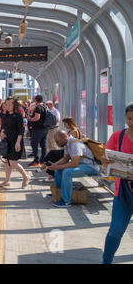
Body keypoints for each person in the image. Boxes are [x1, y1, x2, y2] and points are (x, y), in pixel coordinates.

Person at [101, 103, 133, 264]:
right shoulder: (117, 136)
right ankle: (106, 261)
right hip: (122, 191)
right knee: (116, 230)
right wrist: (105, 161)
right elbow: (105, 161)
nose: (132, 122)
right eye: (129, 119)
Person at [47, 130, 99, 207]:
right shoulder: (66, 144)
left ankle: (66, 201)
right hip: (81, 165)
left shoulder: (75, 144)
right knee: (58, 170)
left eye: (58, 142)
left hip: (91, 167)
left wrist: (58, 166)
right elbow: (65, 158)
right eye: (56, 142)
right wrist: (55, 165)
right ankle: (57, 193)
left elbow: (74, 163)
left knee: (67, 172)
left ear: (65, 138)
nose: (57, 144)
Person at [0, 98, 30, 188]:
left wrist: (18, 142)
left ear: (14, 105)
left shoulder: (18, 115)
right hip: (7, 141)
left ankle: (25, 176)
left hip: (16, 141)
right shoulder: (6, 115)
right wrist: (2, 131)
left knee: (13, 162)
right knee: (7, 162)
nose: (7, 107)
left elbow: (21, 130)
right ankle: (7, 180)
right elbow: (3, 126)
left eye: (9, 105)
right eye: (6, 105)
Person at [28, 95, 48, 166]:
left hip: (38, 129)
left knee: (34, 144)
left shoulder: (38, 107)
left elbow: (37, 118)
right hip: (45, 128)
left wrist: (30, 119)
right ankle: (43, 160)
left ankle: (36, 160)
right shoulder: (45, 107)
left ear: (36, 100)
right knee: (43, 145)